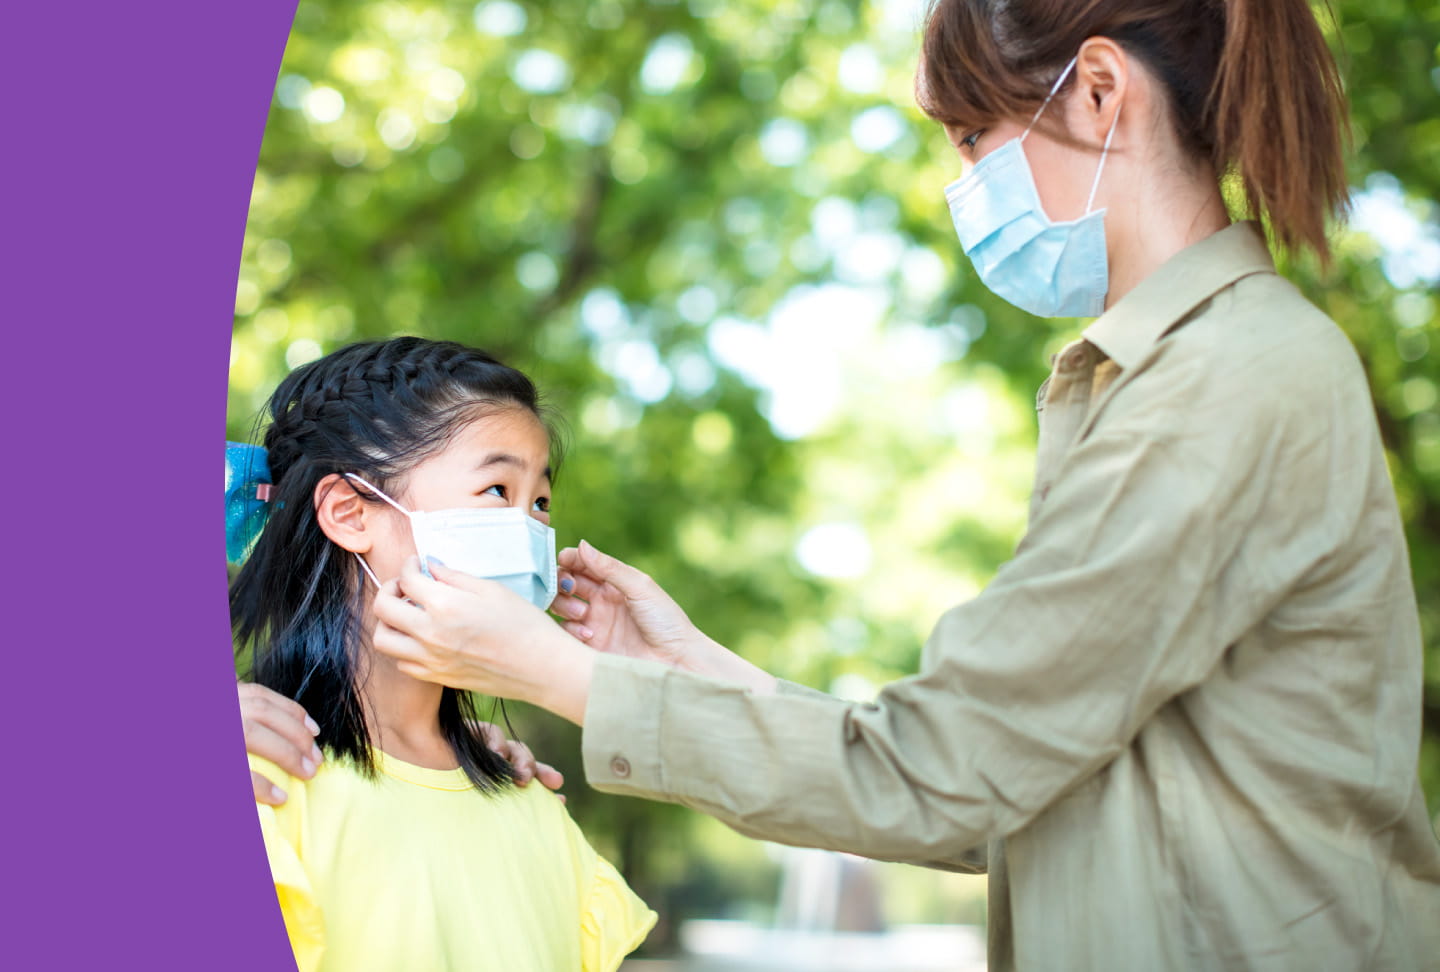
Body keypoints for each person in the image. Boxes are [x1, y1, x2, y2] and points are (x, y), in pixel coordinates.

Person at [249, 0, 1440, 968]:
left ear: (1097, 88)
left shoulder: (1222, 385)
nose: (961, 182)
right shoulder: (1153, 383)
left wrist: (566, 679)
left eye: (972, 137)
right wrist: (687, 675)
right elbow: (1008, 766)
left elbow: (954, 776)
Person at [229, 337, 655, 972]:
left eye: (540, 501)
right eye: (494, 490)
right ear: (349, 513)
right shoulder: (263, 788)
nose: (529, 530)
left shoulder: (530, 802)